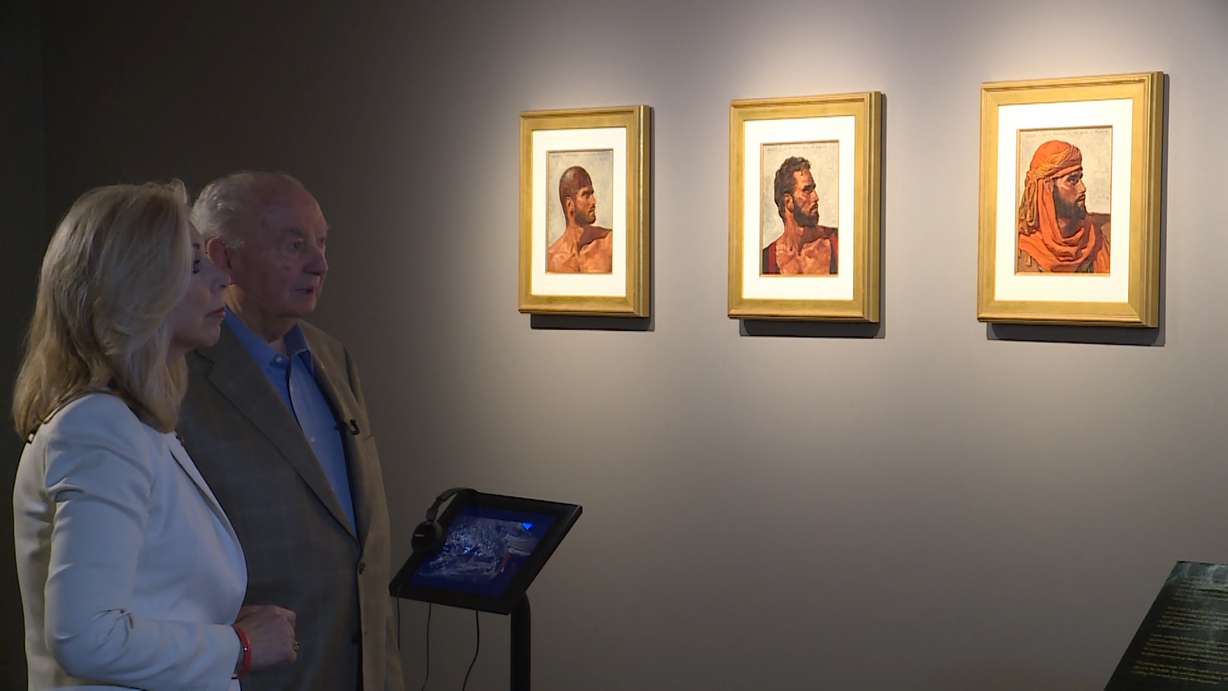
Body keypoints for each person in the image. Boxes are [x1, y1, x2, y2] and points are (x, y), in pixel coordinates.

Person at [12, 181, 298, 690]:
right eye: (192, 265)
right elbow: (85, 637)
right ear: (134, 288)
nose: (222, 276)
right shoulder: (97, 428)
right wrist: (241, 646)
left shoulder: (132, 425)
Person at [179, 171, 404, 691]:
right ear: (223, 257)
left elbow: (357, 542)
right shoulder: (179, 376)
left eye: (321, 243)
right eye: (294, 244)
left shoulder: (332, 358)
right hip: (256, 676)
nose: (319, 264)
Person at [1016, 139, 1111, 273]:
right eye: (1072, 180)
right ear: (1047, 189)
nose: (1083, 188)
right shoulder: (1019, 251)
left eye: (1080, 178)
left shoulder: (1101, 235)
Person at [762, 156, 838, 275]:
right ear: (788, 202)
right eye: (807, 190)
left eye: (814, 189)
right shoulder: (765, 261)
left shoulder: (838, 242)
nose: (816, 197)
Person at [547, 165, 613, 272]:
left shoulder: (609, 243)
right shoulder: (551, 260)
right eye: (586, 195)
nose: (594, 201)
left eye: (592, 194)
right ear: (570, 205)